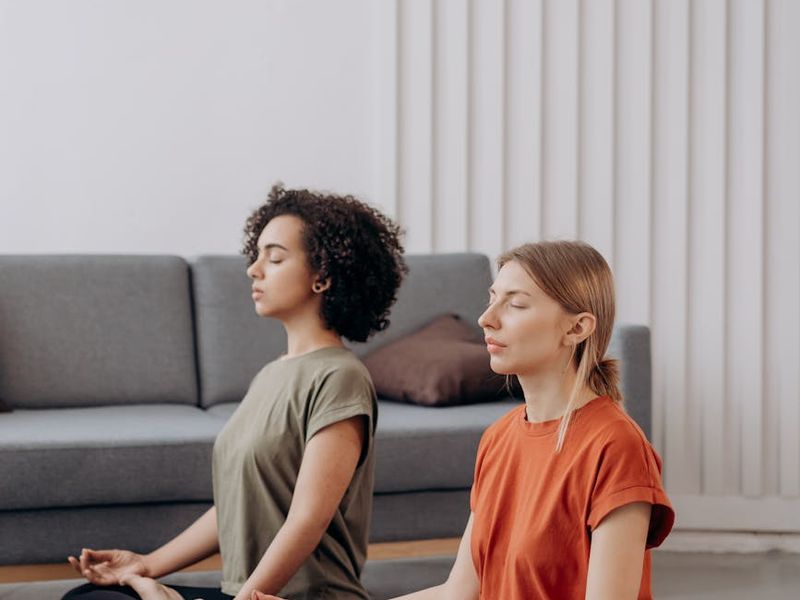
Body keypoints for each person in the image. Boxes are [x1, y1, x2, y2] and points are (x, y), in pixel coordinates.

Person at [257, 240, 674, 600]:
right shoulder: (499, 438)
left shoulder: (615, 446)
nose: (486, 318)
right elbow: (460, 591)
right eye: (492, 297)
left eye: (516, 303)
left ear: (577, 327)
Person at [62, 184, 407, 600]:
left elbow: (306, 520)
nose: (254, 269)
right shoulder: (270, 376)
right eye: (257, 254)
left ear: (323, 277)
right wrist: (146, 564)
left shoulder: (340, 377)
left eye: (275, 257)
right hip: (244, 592)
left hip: (298, 596)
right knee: (89, 597)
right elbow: (238, 504)